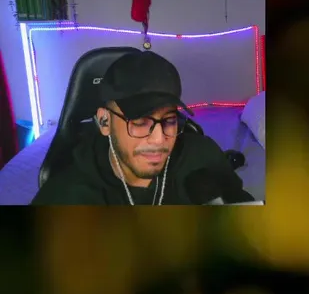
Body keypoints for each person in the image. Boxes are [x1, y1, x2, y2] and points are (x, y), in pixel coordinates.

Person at [30, 50, 253, 205]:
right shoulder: (67, 196)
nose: (159, 139)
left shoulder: (204, 156)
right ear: (105, 122)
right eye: (139, 122)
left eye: (169, 120)